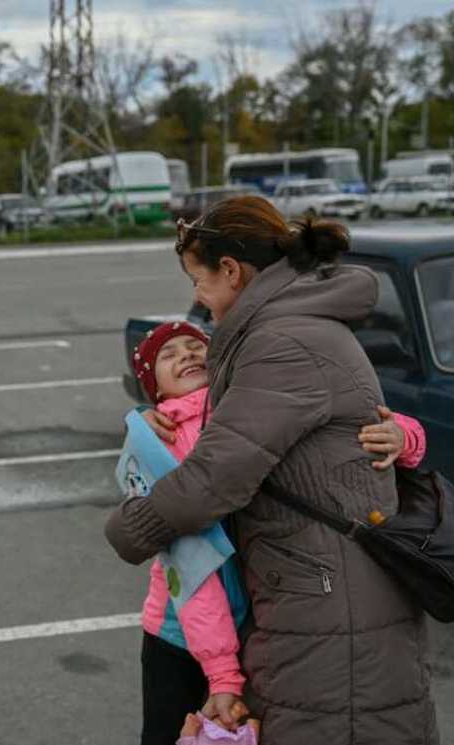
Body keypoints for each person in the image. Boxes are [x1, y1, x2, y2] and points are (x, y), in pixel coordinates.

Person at [105, 196, 439, 744]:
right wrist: (153, 420)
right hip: (322, 592)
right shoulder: (288, 329)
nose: (198, 297)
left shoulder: (283, 343)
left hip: (330, 608)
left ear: (231, 271)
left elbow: (216, 475)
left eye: (198, 281)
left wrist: (129, 527)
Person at [128, 320, 426, 744]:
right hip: (179, 631)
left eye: (194, 347)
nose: (187, 356)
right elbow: (194, 573)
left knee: (239, 733)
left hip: (258, 615)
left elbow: (370, 422)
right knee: (170, 732)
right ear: (152, 387)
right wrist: (222, 673)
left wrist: (405, 437)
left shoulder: (245, 407)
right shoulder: (162, 442)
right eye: (168, 354)